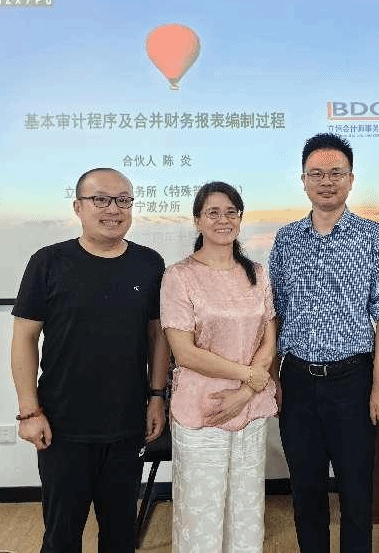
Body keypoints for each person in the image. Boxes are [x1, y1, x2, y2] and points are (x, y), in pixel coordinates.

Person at [10, 167, 168, 553]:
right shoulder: (48, 262)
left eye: (123, 200)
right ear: (78, 207)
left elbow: (157, 337)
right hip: (63, 425)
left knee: (120, 534)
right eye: (101, 200)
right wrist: (29, 411)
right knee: (62, 534)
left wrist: (156, 396)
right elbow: (24, 339)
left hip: (127, 423)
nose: (114, 209)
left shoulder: (149, 263)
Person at [268, 133, 379, 553]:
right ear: (303, 180)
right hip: (297, 380)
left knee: (356, 490)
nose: (326, 182)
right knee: (305, 490)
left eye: (335, 173)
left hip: (353, 380)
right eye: (316, 174)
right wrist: (272, 376)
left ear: (351, 179)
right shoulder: (286, 239)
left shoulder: (373, 236)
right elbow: (275, 312)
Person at [160, 181, 277, 553]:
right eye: (213, 212)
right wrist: (247, 376)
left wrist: (246, 391)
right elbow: (184, 352)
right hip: (202, 410)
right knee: (201, 516)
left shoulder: (257, 272)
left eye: (231, 212)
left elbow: (269, 339)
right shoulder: (179, 276)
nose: (223, 220)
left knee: (247, 512)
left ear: (240, 218)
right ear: (197, 221)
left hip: (251, 408)